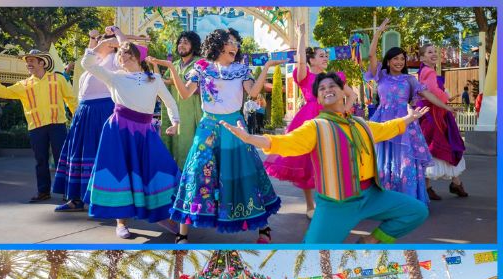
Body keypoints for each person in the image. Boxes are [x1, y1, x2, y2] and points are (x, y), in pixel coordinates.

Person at [223, 72, 430, 243]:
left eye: (332, 86)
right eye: (321, 89)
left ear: (342, 93)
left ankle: (371, 241)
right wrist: (251, 138)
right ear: (319, 99)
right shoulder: (315, 126)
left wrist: (408, 118)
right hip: (336, 204)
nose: (327, 90)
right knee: (313, 252)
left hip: (372, 196)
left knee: (417, 211)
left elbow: (386, 129)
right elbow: (286, 142)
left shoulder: (359, 123)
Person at [159, 28, 283, 243]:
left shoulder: (241, 69)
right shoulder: (202, 67)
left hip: (235, 126)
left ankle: (263, 228)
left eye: (236, 43)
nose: (235, 46)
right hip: (208, 127)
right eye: (231, 42)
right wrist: (171, 68)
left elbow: (253, 93)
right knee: (196, 172)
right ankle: (182, 233)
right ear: (219, 45)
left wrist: (266, 68)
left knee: (246, 173)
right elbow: (185, 93)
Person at [81, 28, 183, 239]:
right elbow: (87, 64)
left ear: (137, 57)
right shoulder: (114, 77)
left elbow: (169, 101)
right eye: (120, 54)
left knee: (159, 168)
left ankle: (161, 214)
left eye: (127, 53)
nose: (122, 56)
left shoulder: (153, 78)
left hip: (145, 131)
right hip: (119, 130)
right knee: (121, 173)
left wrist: (175, 122)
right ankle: (121, 223)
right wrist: (100, 45)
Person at [265, 23, 350, 219]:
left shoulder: (333, 78)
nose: (325, 58)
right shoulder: (304, 75)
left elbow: (351, 95)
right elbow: (300, 62)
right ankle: (311, 205)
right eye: (321, 55)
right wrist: (302, 35)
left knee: (331, 160)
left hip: (332, 120)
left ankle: (330, 203)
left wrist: (344, 111)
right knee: (307, 163)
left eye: (326, 56)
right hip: (310, 119)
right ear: (311, 59)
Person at [0, 50, 77, 203]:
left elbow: (71, 99)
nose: (28, 64)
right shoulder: (24, 85)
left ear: (42, 63)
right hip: (36, 128)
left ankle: (67, 192)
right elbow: (2, 92)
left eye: (32, 61)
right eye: (27, 61)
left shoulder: (58, 79)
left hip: (57, 126)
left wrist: (78, 119)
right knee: (40, 161)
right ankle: (43, 192)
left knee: (62, 160)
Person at [365, 20, 438, 204]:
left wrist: (446, 106)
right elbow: (371, 54)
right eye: (395, 58)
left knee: (405, 162)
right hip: (382, 123)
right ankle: (384, 201)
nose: (399, 62)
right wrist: (378, 33)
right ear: (388, 61)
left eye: (402, 59)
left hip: (405, 125)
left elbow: (427, 93)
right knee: (382, 161)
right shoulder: (380, 75)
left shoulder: (409, 80)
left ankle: (407, 201)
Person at [52, 28, 118, 213]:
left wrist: (116, 35)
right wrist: (94, 39)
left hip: (103, 110)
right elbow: (89, 53)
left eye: (102, 41)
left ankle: (106, 200)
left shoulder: (116, 59)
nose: (98, 43)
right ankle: (76, 200)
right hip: (84, 111)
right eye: (98, 41)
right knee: (79, 154)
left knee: (101, 155)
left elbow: (133, 49)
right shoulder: (93, 60)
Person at [416, 44, 469, 198]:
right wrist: (446, 100)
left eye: (435, 51)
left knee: (431, 146)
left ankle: (449, 184)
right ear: (422, 57)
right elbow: (433, 91)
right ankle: (452, 184)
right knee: (441, 145)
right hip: (434, 114)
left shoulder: (424, 71)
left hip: (432, 112)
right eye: (429, 52)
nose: (434, 54)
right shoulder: (429, 71)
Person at [161, 31, 204, 168]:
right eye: (180, 42)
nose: (182, 45)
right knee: (175, 149)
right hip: (176, 114)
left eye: (186, 43)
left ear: (194, 45)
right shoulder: (174, 64)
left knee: (193, 150)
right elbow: (164, 83)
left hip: (194, 114)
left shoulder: (200, 64)